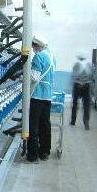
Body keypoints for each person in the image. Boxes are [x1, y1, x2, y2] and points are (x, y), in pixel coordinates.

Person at [26, 35, 55, 163]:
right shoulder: (52, 56)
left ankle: (33, 155)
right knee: (45, 124)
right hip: (47, 96)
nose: (33, 49)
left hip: (37, 96)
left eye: (33, 46)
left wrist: (23, 76)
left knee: (33, 125)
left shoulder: (39, 56)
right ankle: (45, 152)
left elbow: (34, 77)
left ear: (37, 45)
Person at [70, 51, 93, 130]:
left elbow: (74, 75)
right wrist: (85, 82)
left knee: (75, 104)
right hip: (87, 86)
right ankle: (86, 122)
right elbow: (91, 75)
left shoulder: (76, 64)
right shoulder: (89, 64)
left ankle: (73, 121)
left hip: (77, 85)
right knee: (86, 105)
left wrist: (79, 81)